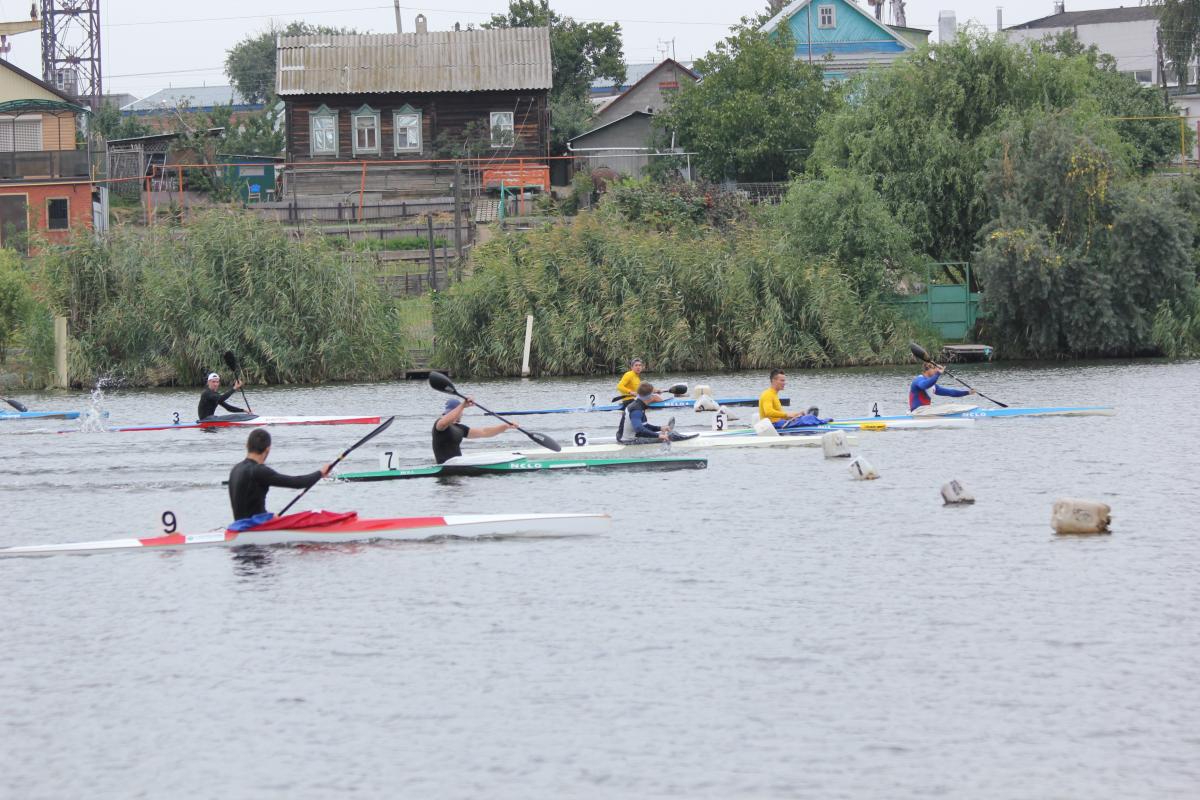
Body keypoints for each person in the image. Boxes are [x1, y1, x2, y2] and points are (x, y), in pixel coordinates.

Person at [227, 428, 331, 523]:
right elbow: (297, 483)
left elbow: (248, 506)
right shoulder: (259, 471)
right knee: (314, 516)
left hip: (238, 526)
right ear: (267, 449)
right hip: (254, 527)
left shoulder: (235, 469)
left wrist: (268, 518)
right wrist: (320, 473)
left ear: (247, 445)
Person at [433, 398, 517, 464]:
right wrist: (462, 405)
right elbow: (444, 422)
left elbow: (485, 432)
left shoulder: (461, 428)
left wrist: (505, 426)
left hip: (456, 464)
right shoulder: (440, 425)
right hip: (445, 465)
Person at [616, 383, 694, 444]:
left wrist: (660, 428)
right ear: (650, 396)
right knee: (671, 436)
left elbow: (644, 425)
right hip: (628, 441)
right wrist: (659, 435)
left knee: (664, 433)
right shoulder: (636, 409)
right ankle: (692, 440)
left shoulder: (638, 404)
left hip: (627, 437)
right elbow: (639, 429)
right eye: (653, 394)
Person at [909, 362, 975, 411]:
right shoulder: (918, 380)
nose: (936, 370)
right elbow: (924, 385)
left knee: (951, 406)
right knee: (950, 407)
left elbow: (950, 392)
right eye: (934, 368)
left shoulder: (933, 386)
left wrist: (968, 392)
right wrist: (938, 373)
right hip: (918, 412)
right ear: (927, 370)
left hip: (925, 411)